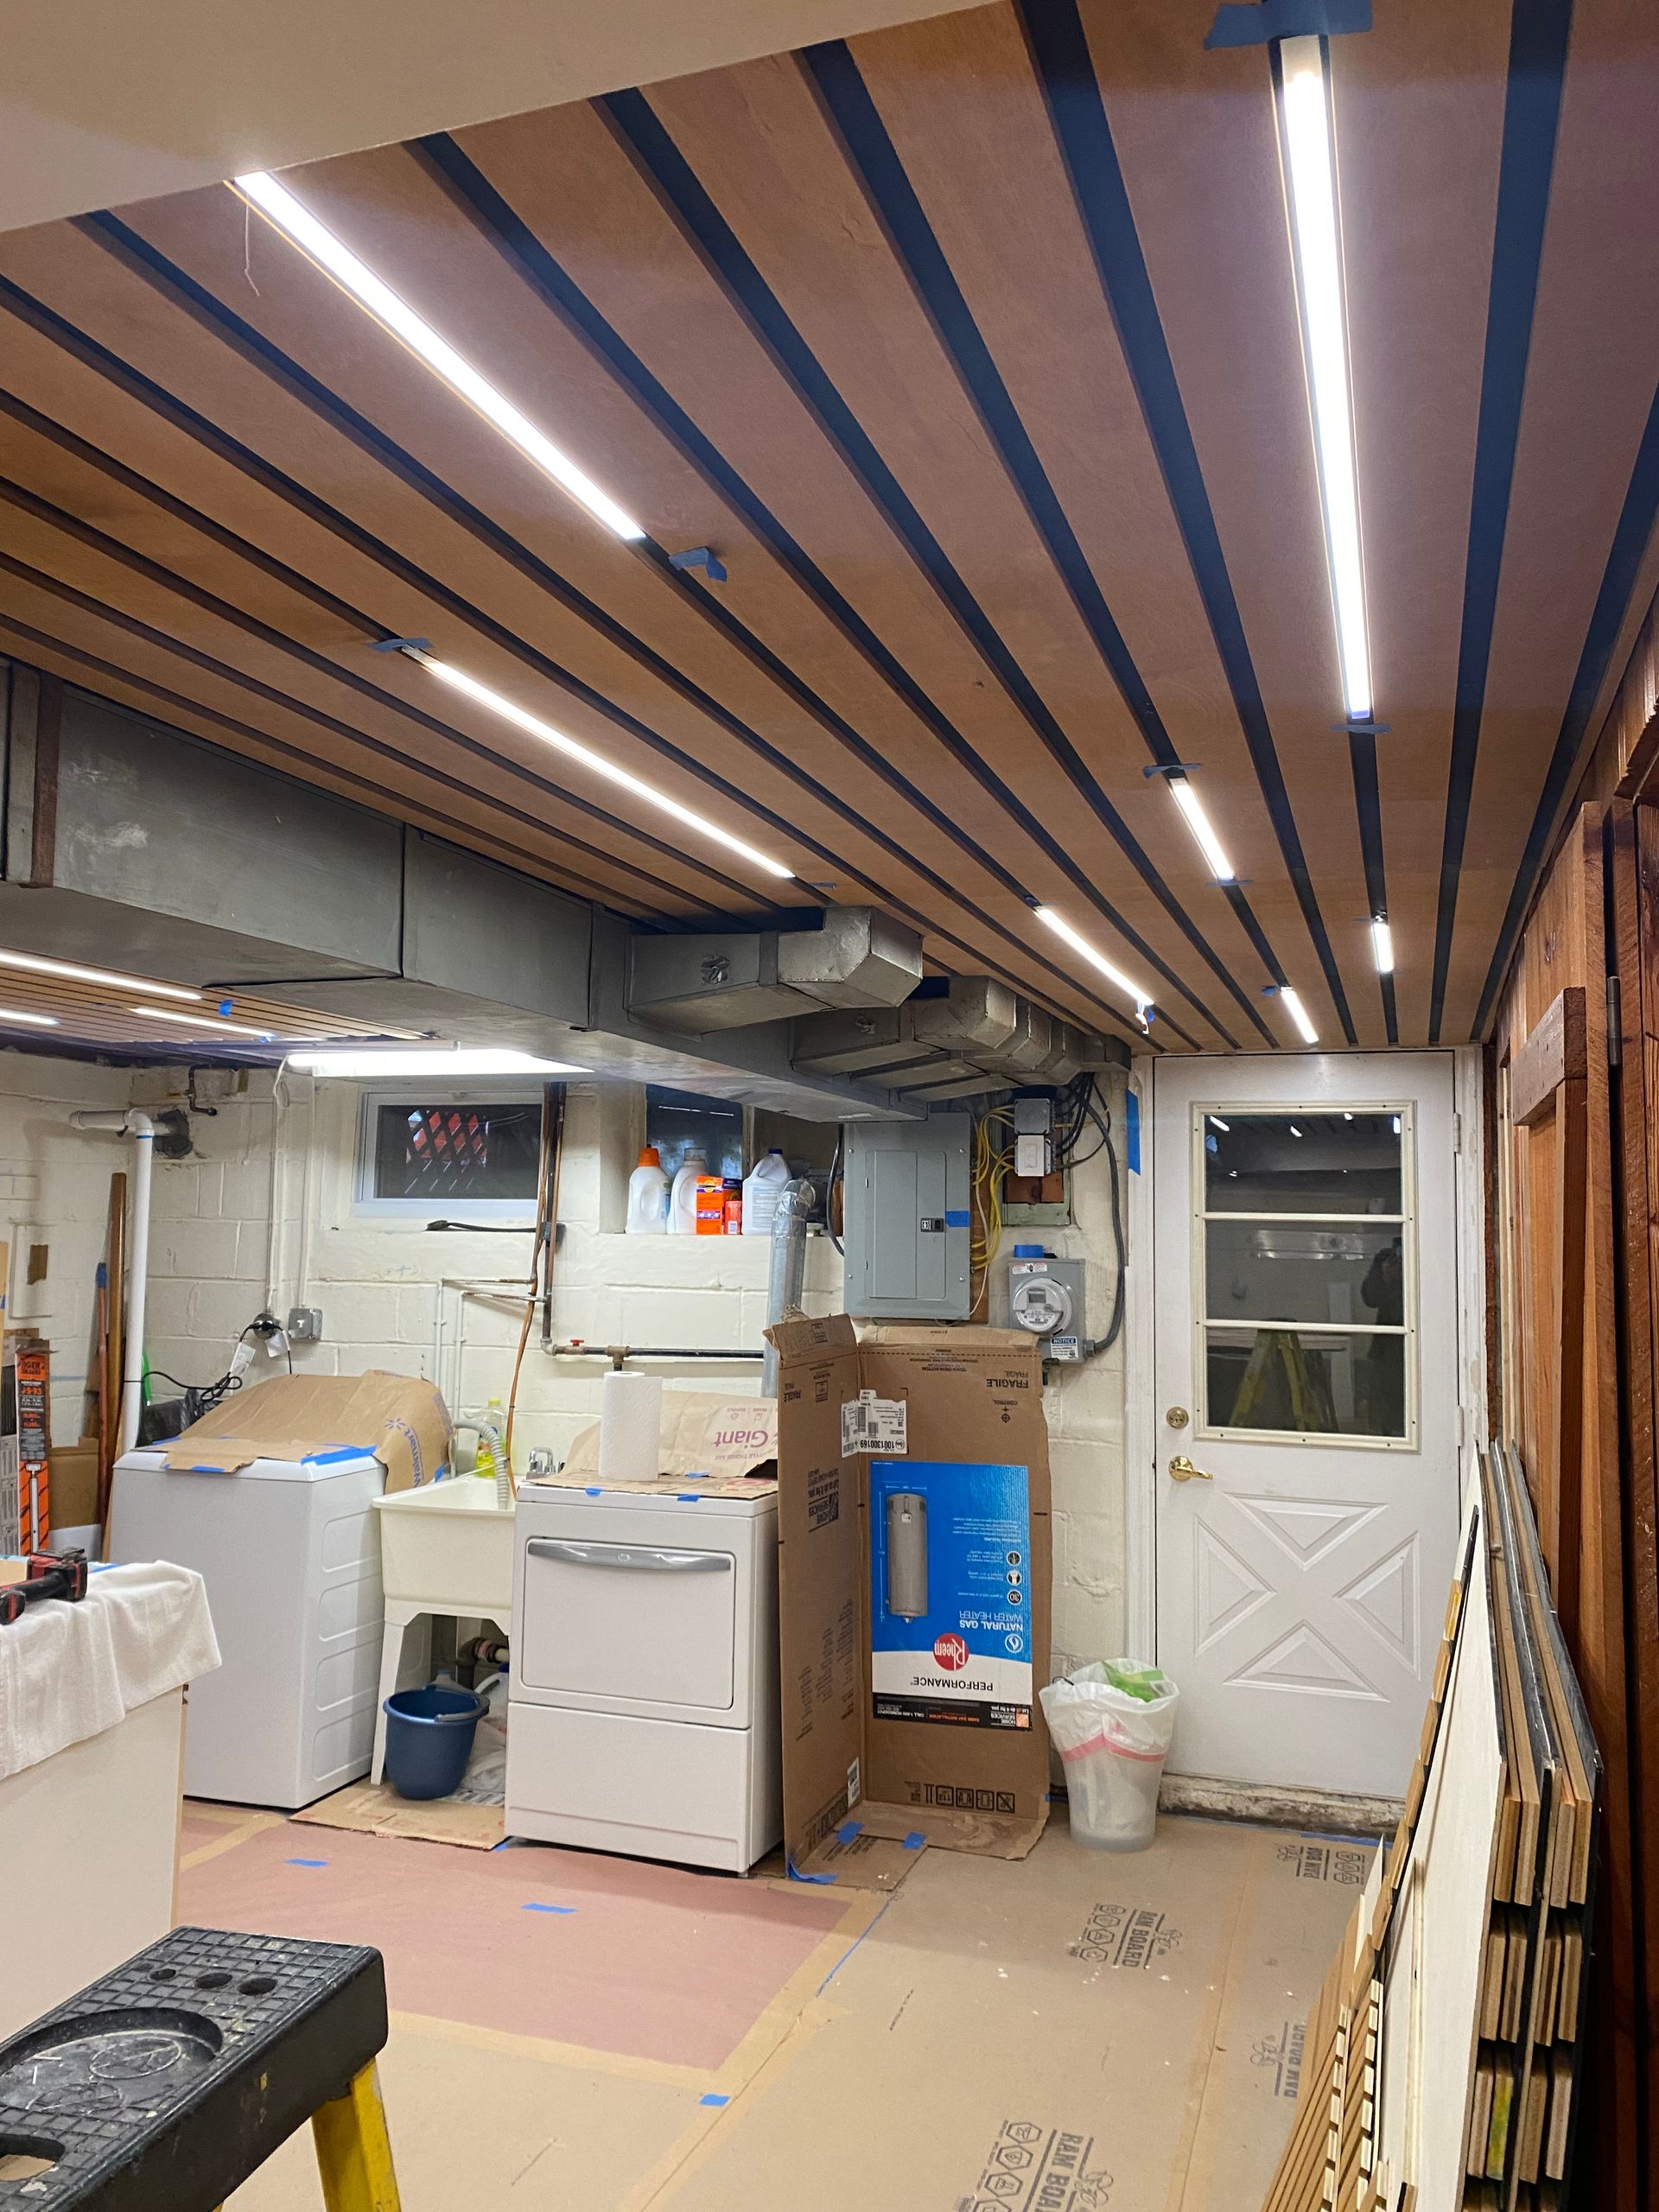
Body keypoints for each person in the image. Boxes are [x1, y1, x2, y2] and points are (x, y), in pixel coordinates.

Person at [1359, 1237, 1405, 1435]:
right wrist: (1386, 1276)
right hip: (1387, 1344)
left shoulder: (1426, 1258)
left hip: (1423, 1342)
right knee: (1387, 1405)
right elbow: (1369, 1298)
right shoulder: (1384, 1259)